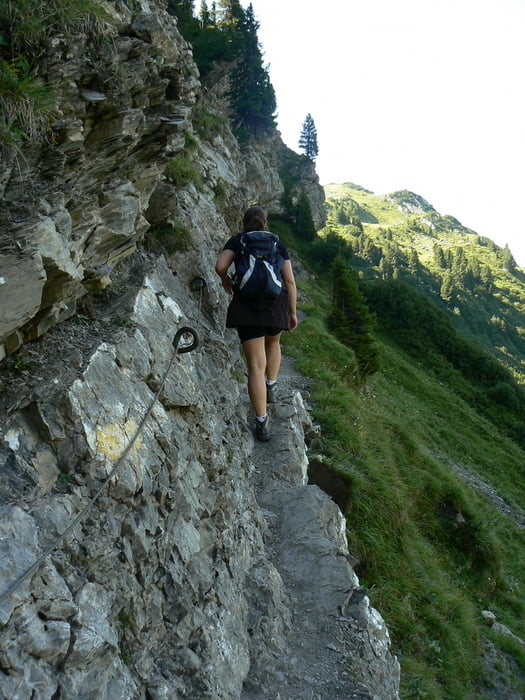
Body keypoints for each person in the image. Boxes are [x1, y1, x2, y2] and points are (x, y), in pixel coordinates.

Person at [215, 205, 298, 441]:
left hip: (247, 305)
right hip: (275, 303)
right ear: (265, 222)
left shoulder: (238, 241)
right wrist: (292, 312)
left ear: (244, 222)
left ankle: (262, 421)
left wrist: (226, 281)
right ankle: (271, 385)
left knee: (254, 366)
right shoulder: (276, 243)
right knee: (274, 342)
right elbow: (289, 281)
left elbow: (220, 266)